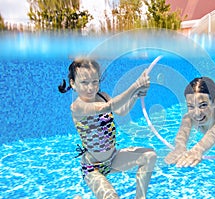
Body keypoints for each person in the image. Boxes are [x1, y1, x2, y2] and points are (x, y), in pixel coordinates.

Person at [58, 58, 157, 199]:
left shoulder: (103, 96)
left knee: (149, 156)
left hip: (113, 159)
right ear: (73, 84)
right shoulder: (77, 106)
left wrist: (136, 95)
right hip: (93, 167)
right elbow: (107, 107)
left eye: (95, 82)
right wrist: (135, 85)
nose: (90, 88)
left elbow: (121, 110)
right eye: (84, 83)